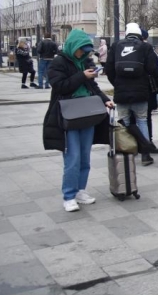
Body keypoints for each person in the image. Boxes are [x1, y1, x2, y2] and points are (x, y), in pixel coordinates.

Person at [43, 29, 114, 212]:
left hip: (87, 113)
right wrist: (82, 76)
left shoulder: (86, 62)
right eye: (81, 50)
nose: (84, 53)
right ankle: (68, 195)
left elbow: (93, 87)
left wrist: (105, 99)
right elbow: (61, 86)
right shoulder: (58, 63)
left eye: (87, 50)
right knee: (72, 157)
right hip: (69, 115)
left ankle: (80, 190)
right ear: (74, 46)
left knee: (85, 157)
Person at [106, 23, 158, 166]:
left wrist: (117, 84)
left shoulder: (116, 46)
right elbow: (153, 69)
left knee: (125, 122)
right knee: (142, 120)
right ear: (140, 35)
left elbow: (109, 69)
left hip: (121, 92)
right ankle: (146, 154)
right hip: (141, 91)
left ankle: (127, 151)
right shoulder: (145, 47)